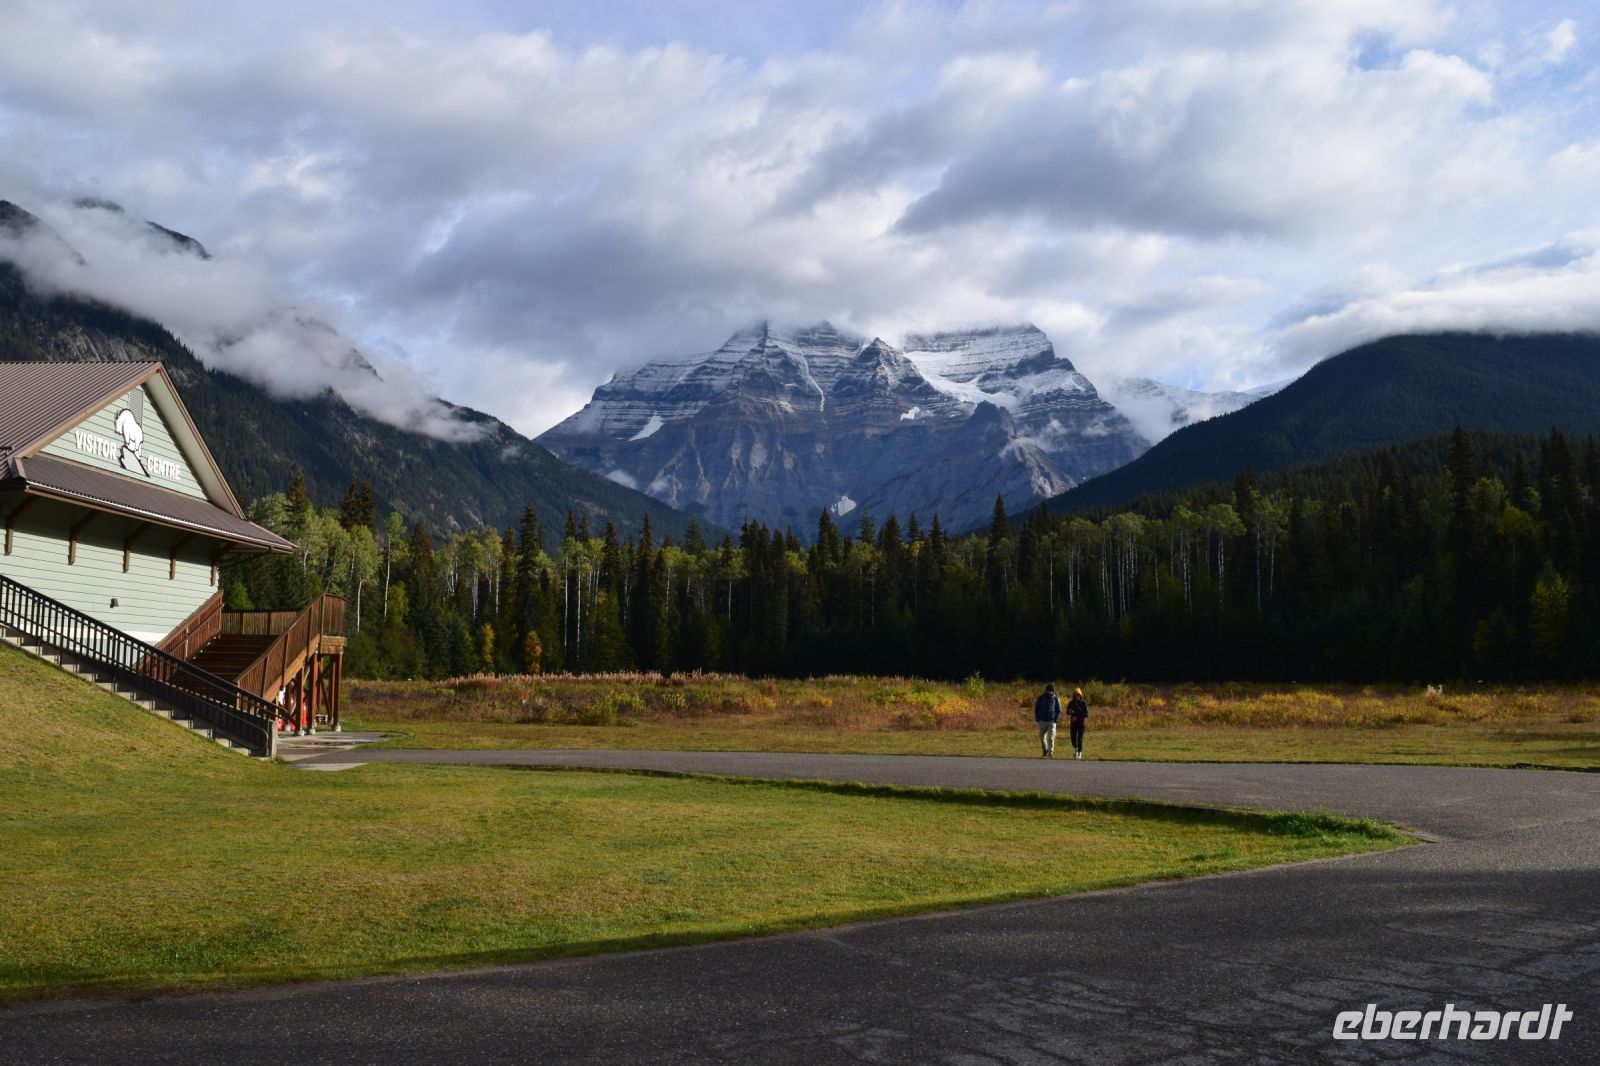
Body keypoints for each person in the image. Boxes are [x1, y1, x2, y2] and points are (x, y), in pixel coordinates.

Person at [1033, 683, 1062, 757]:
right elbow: (1036, 708)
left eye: (1050, 690)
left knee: (1051, 737)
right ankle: (1045, 750)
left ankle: (1050, 752)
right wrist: (1038, 718)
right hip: (1042, 721)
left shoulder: (1055, 698)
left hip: (1051, 721)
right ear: (1046, 690)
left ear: (1053, 691)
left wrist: (1056, 719)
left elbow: (1059, 710)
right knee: (1042, 738)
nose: (1049, 692)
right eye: (1048, 690)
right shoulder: (1041, 698)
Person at [1066, 687, 1089, 759]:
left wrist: (1076, 716)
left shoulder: (1083, 703)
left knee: (1079, 738)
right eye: (1075, 694)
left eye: (1078, 694)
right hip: (1073, 723)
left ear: (1080, 695)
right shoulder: (1071, 703)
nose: (1076, 696)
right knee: (1073, 739)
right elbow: (1067, 712)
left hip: (1082, 723)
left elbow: (1086, 714)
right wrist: (1069, 711)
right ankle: (1076, 748)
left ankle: (1080, 753)